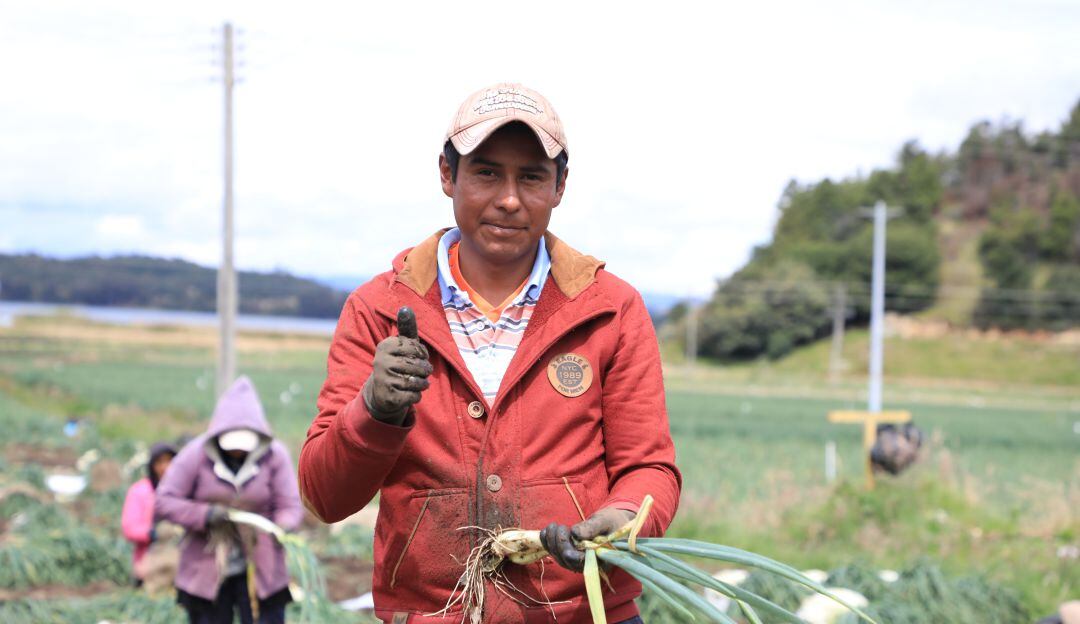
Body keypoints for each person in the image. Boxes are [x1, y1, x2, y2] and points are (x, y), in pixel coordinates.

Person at [299, 83, 681, 623]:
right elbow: (325, 496)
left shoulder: (610, 309)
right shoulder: (379, 309)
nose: (508, 198)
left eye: (531, 177)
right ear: (447, 175)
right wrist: (374, 411)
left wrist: (621, 519)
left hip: (583, 612)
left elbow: (648, 467)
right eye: (485, 172)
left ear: (560, 186)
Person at [155, 376, 303, 624]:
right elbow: (165, 500)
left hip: (261, 564)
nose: (237, 451)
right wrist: (205, 515)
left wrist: (282, 527)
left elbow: (289, 504)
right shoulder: (196, 454)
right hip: (206, 562)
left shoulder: (274, 455)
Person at [121, 441, 176, 584]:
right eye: (160, 462)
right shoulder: (140, 491)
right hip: (148, 562)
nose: (165, 467)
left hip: (178, 565)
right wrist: (151, 533)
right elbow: (129, 528)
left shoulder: (183, 490)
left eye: (169, 461)